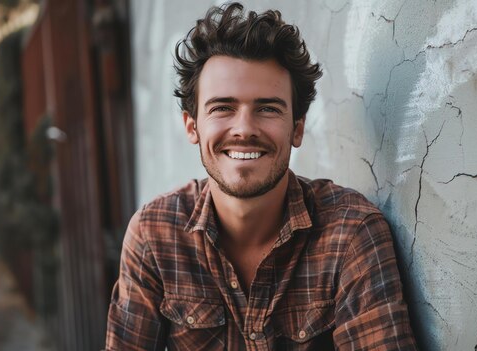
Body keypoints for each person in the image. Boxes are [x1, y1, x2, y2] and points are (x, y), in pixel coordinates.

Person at [105, 3, 416, 350]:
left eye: (267, 108)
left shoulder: (351, 235)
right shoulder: (154, 235)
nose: (244, 129)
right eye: (222, 107)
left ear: (297, 129)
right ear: (192, 126)